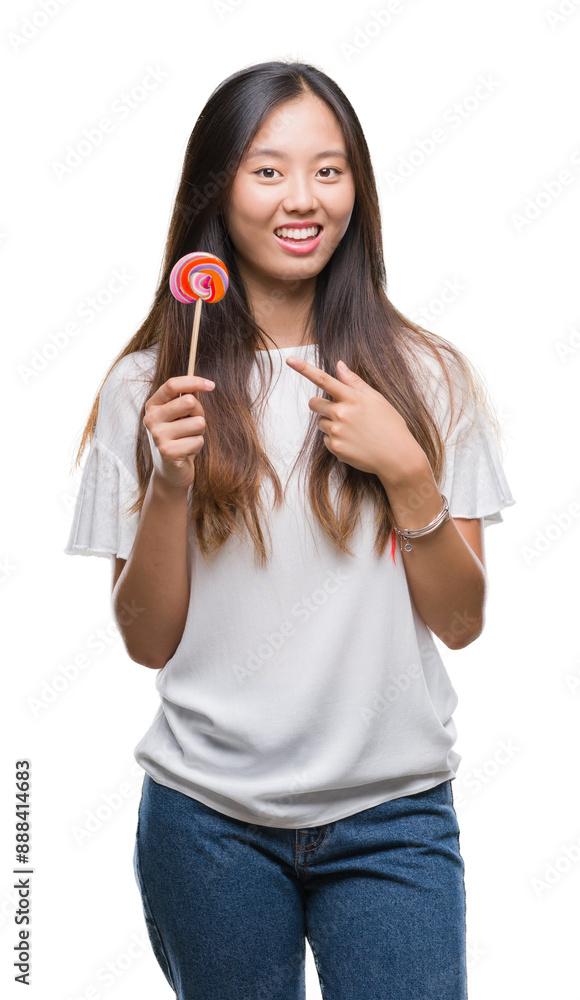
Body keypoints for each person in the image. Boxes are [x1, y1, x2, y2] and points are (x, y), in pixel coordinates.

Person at [65, 60, 516, 1000]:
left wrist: (408, 470)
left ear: (360, 187)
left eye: (330, 168)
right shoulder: (145, 390)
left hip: (395, 819)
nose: (302, 198)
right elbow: (148, 641)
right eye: (267, 170)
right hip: (206, 824)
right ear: (217, 189)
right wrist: (170, 487)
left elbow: (464, 622)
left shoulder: (433, 378)